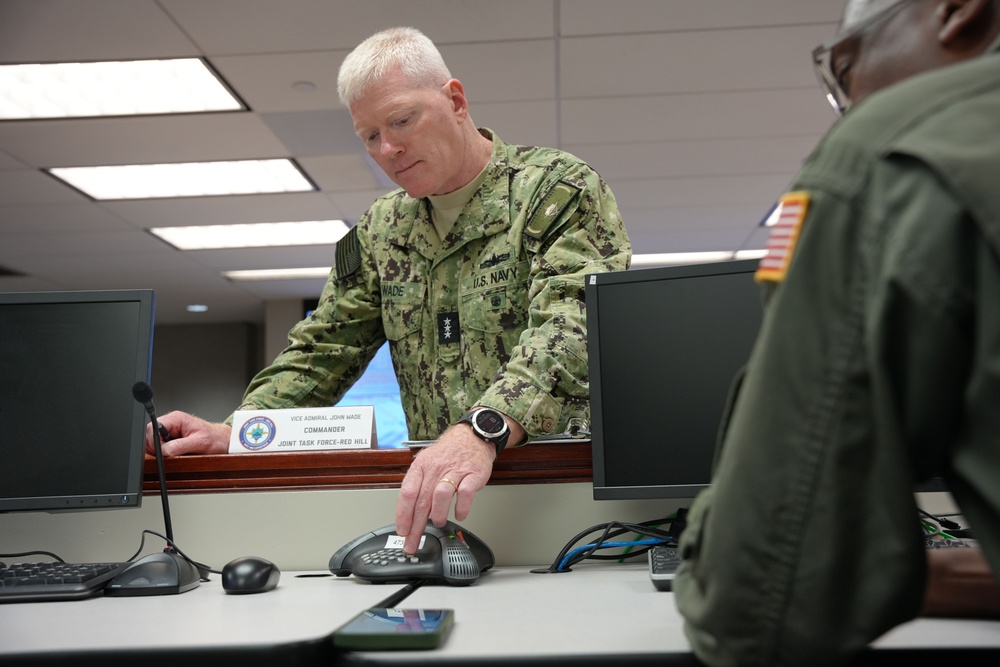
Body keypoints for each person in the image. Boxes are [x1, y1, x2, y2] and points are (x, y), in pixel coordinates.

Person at [147, 27, 631, 554]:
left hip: (563, 490)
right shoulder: (382, 231)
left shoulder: (556, 189)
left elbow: (574, 325)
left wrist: (482, 429)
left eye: (401, 120)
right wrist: (239, 431)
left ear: (456, 100)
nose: (389, 148)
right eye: (370, 136)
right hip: (438, 508)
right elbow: (322, 352)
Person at [672, 1, 1000, 665]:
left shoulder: (891, 151)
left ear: (957, 10)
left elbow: (748, 602)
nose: (850, 107)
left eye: (846, 73)